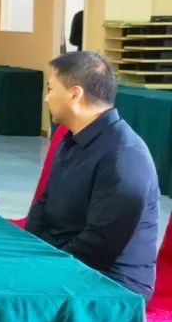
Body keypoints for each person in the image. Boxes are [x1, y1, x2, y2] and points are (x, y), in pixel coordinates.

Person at [25, 51, 159, 300]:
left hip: (112, 284)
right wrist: (28, 249)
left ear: (75, 94)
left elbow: (99, 245)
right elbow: (44, 204)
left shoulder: (124, 155)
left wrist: (45, 266)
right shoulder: (72, 138)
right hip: (66, 259)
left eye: (51, 89)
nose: (46, 98)